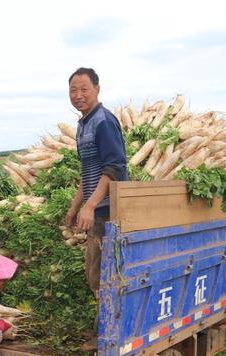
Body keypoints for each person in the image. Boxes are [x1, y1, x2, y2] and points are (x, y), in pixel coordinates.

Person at [64, 67, 129, 305]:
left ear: (97, 90)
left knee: (103, 275)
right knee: (96, 273)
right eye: (73, 90)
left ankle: (107, 335)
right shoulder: (84, 124)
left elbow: (114, 168)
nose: (78, 95)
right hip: (98, 209)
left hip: (109, 209)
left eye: (84, 89)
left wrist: (90, 206)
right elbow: (89, 172)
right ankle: (105, 331)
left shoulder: (103, 121)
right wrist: (75, 207)